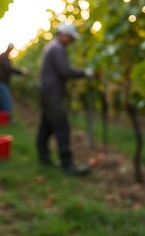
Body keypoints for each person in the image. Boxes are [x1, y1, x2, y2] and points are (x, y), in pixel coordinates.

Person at [36, 23, 94, 176]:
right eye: (71, 38)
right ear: (63, 34)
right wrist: (84, 73)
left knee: (46, 127)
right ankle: (67, 164)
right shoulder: (57, 49)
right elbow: (65, 71)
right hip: (52, 94)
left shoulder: (52, 47)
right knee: (62, 128)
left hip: (46, 92)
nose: (71, 41)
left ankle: (43, 158)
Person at [0, 43, 27, 113]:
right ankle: (7, 119)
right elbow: (9, 69)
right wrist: (21, 72)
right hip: (0, 83)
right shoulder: (4, 57)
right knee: (6, 102)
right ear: (9, 48)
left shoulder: (4, 57)